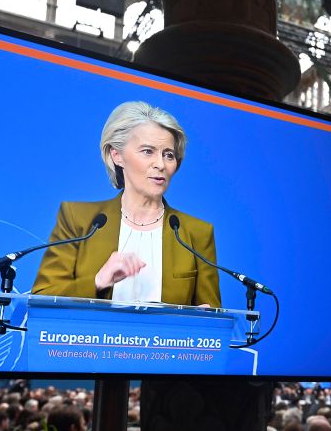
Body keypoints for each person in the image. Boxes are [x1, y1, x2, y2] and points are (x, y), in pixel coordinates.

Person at [32, 101, 221, 308]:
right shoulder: (79, 220)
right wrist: (98, 281)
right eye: (148, 151)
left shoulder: (196, 233)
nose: (161, 164)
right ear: (117, 155)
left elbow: (211, 315)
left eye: (169, 154)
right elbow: (42, 298)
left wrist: (206, 319)